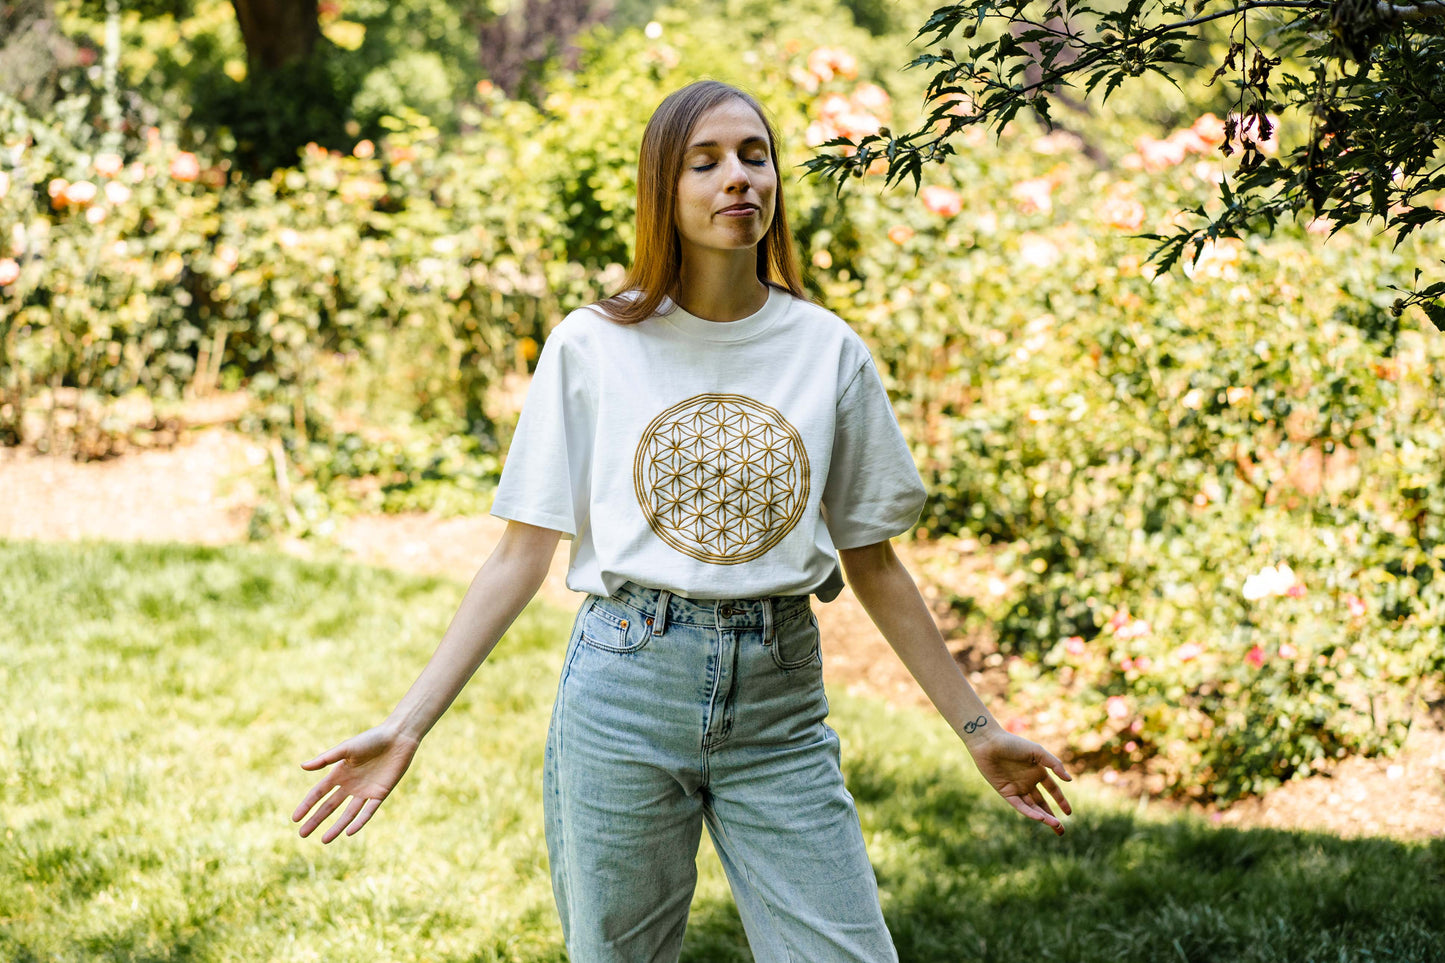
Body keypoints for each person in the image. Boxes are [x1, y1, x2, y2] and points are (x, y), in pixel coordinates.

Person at [293, 79, 1073, 962]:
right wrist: (408, 723)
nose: (737, 178)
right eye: (704, 163)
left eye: (754, 155)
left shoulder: (826, 351)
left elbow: (875, 563)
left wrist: (978, 731)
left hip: (779, 701)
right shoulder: (591, 346)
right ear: (663, 191)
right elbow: (519, 556)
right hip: (625, 688)